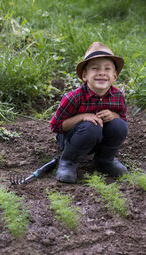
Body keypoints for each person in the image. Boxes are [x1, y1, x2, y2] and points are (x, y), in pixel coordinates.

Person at [50, 42, 128, 183]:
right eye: (95, 68)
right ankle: (68, 162)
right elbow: (56, 126)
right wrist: (82, 117)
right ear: (85, 76)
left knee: (119, 125)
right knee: (91, 127)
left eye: (107, 68)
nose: (102, 72)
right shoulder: (73, 97)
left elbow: (122, 118)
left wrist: (113, 115)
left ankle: (104, 161)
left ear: (114, 76)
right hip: (73, 138)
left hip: (100, 138)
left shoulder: (117, 97)